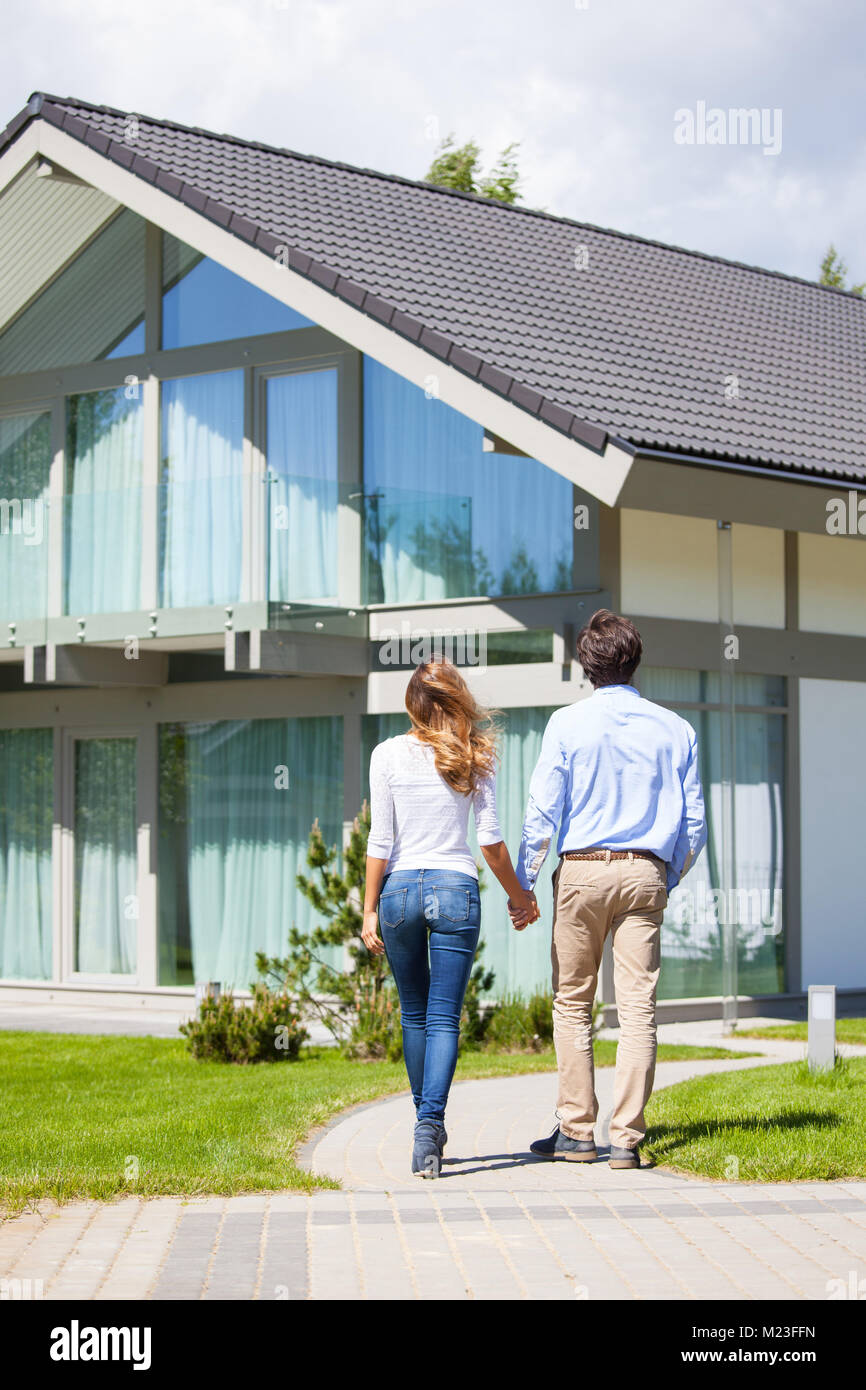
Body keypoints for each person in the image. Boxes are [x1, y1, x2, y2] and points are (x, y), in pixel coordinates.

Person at [512, 610, 707, 1169]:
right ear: (635, 659)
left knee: (573, 1002)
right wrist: (664, 875)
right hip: (645, 871)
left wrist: (524, 887)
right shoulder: (676, 729)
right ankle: (626, 1139)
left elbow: (541, 814)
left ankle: (576, 1132)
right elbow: (693, 826)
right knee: (638, 1007)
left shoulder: (565, 724)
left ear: (586, 664)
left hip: (581, 871)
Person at [362, 658, 538, 1178]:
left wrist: (369, 908)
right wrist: (521, 896)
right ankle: (428, 1129)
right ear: (456, 699)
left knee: (413, 1014)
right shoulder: (475, 754)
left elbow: (381, 840)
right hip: (455, 888)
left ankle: (425, 1127)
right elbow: (490, 842)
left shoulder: (386, 754)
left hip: (398, 894)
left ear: (412, 705)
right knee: (443, 1018)